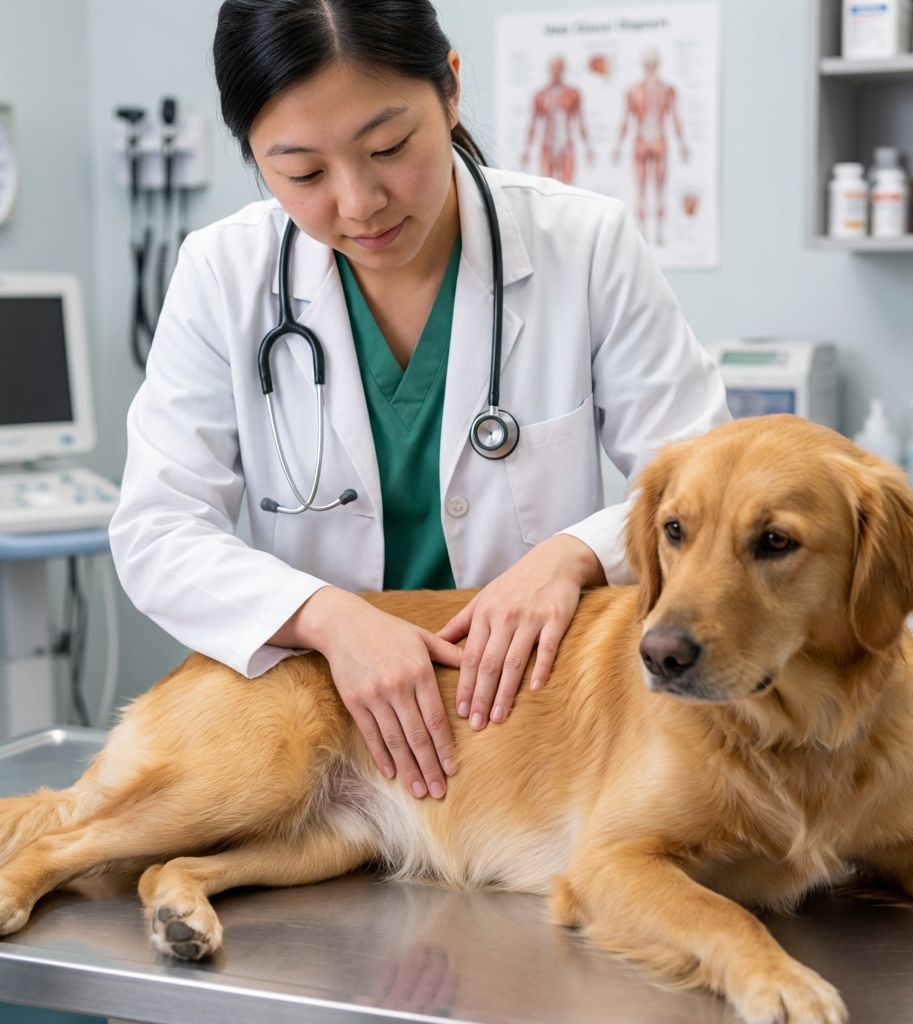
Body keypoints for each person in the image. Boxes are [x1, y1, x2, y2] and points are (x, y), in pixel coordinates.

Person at [109, 0, 728, 806]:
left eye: (390, 147)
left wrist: (573, 555)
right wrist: (326, 618)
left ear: (452, 90)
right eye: (302, 172)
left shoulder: (583, 244)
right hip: (330, 715)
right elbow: (158, 528)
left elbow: (703, 482)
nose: (360, 202)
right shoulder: (223, 274)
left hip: (531, 723)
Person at [613, 49, 689, 246]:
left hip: (647, 139)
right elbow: (674, 120)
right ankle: (652, 235)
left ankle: (651, 235)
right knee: (650, 189)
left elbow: (674, 119)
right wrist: (682, 144)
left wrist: (619, 146)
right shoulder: (661, 90)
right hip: (655, 138)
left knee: (648, 190)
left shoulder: (639, 91)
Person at [521, 56, 593, 185]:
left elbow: (580, 121)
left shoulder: (573, 93)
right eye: (554, 69)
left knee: (568, 186)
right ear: (549, 69)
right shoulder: (540, 95)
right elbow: (533, 124)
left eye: (559, 69)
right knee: (547, 186)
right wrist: (526, 150)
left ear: (563, 70)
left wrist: (588, 147)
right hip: (547, 144)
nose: (556, 72)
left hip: (566, 144)